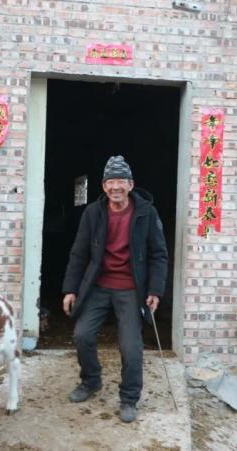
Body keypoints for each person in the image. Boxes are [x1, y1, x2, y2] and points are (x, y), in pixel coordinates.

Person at [61, 155, 168, 423]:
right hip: (98, 285)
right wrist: (70, 289)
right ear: (103, 186)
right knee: (82, 335)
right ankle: (91, 381)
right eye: (110, 181)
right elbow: (79, 253)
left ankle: (129, 398)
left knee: (131, 347)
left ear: (130, 184)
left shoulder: (146, 213)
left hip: (131, 288)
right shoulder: (93, 213)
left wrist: (155, 290)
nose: (115, 186)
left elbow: (159, 255)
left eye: (121, 181)